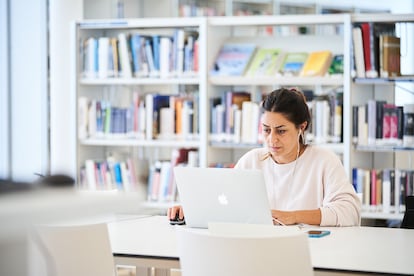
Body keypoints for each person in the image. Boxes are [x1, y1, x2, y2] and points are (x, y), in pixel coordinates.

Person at [168, 87, 361, 226]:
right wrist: (192, 209)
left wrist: (292, 216)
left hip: (310, 254)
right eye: (267, 130)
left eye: (281, 131)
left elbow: (349, 213)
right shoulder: (252, 160)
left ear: (301, 127)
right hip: (258, 250)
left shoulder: (323, 161)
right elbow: (224, 202)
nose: (272, 139)